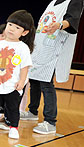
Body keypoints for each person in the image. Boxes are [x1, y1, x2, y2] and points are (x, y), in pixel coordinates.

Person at [20, 0, 84, 134]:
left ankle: (50, 122)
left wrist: (59, 25)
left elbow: (73, 20)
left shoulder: (75, 1)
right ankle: (33, 111)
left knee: (46, 83)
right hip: (41, 47)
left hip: (55, 48)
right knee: (34, 80)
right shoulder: (53, 2)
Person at [0, 10, 35, 139]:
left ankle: (14, 127)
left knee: (13, 107)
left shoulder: (23, 48)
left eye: (17, 27)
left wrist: (22, 81)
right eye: (10, 25)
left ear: (24, 32)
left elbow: (25, 66)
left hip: (13, 84)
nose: (12, 29)